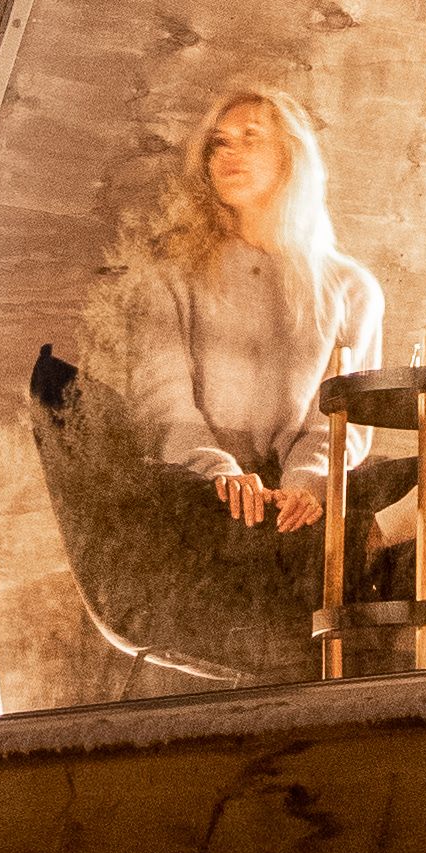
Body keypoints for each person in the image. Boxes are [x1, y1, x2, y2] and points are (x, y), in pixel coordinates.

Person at [118, 88, 383, 548]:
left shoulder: (351, 289)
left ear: (290, 156)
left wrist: (306, 484)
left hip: (302, 505)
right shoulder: (170, 277)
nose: (229, 154)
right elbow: (163, 405)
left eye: (250, 137)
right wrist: (220, 475)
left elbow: (342, 422)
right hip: (197, 492)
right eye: (220, 142)